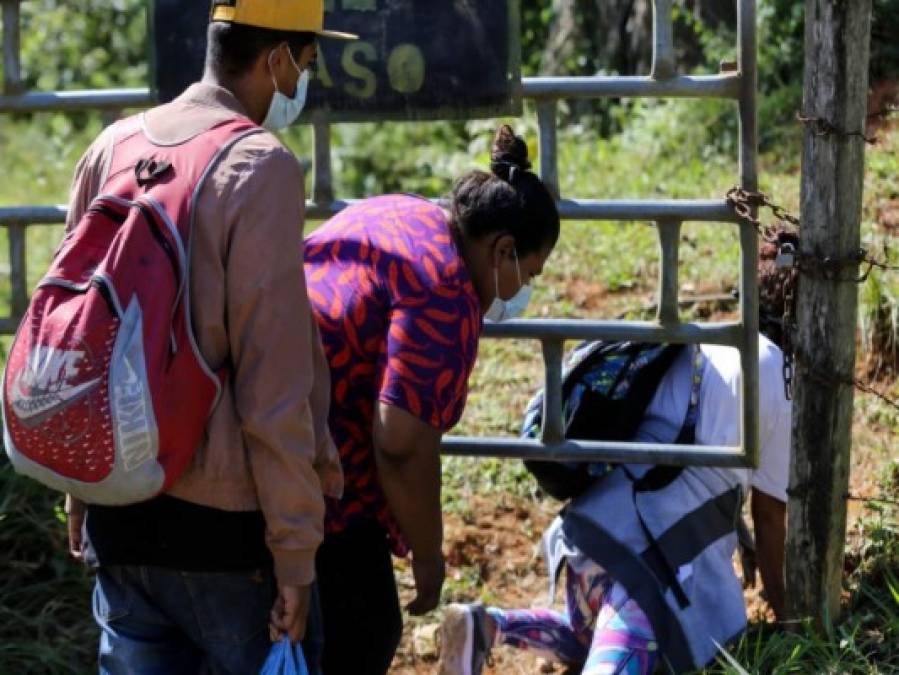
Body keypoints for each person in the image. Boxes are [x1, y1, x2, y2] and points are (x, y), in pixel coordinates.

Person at [63, 2, 355, 673]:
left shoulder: (113, 145)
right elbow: (273, 386)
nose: (301, 83)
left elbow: (78, 338)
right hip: (224, 542)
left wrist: (78, 489)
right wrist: (294, 553)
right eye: (305, 64)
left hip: (119, 514)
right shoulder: (259, 167)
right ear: (278, 58)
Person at [438, 230, 796, 675]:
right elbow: (770, 518)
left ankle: (489, 626)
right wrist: (793, 623)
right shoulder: (779, 378)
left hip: (589, 540)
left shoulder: (705, 341)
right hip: (652, 558)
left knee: (590, 633)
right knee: (630, 642)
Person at [303, 125, 561, 673]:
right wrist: (428, 555)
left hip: (260, 414)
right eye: (529, 273)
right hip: (316, 473)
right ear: (504, 249)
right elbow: (400, 443)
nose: (522, 291)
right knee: (365, 631)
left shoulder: (406, 212)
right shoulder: (446, 291)